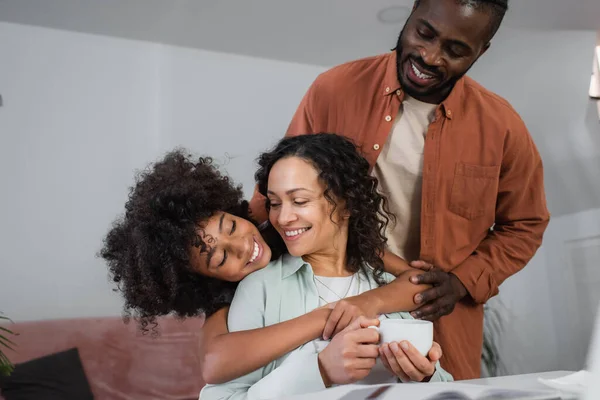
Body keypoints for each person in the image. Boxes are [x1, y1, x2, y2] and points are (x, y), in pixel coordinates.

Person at [248, 0, 550, 380]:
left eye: (456, 50)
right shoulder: (335, 89)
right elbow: (275, 191)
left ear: (481, 51)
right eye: (424, 33)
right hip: (324, 304)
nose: (430, 56)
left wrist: (461, 281)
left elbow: (525, 224)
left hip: (435, 319)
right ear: (410, 16)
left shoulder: (502, 127)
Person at [99, 148, 433, 385]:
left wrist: (366, 303)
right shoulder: (231, 295)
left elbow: (413, 280)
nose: (244, 247)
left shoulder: (278, 225)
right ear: (205, 279)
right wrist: (326, 318)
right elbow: (214, 366)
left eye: (231, 227)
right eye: (220, 259)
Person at [200, 133, 453, 400]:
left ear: (346, 203)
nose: (283, 218)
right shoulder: (260, 288)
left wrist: (425, 376)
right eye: (274, 204)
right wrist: (319, 369)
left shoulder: (386, 283)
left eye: (299, 201)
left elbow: (447, 385)